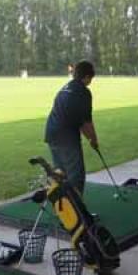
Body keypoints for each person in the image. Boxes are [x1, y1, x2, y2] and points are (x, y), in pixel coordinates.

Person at [45, 61, 99, 194]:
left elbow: (78, 120)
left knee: (60, 174)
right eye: (90, 78)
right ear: (86, 77)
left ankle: (62, 204)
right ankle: (76, 206)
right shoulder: (83, 92)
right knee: (76, 176)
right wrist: (93, 140)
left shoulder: (66, 87)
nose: (90, 81)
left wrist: (90, 138)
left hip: (51, 133)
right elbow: (86, 122)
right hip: (66, 137)